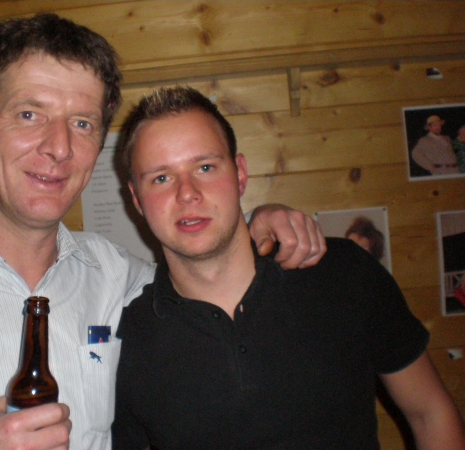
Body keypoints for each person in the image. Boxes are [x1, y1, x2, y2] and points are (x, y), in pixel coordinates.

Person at [0, 14, 327, 450]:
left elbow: (205, 264)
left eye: (82, 123)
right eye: (29, 115)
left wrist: (260, 223)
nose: (60, 147)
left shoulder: (117, 275)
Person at [112, 86, 465, 449]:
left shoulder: (342, 272)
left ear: (240, 174)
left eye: (205, 167)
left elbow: (430, 413)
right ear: (137, 199)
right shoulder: (128, 340)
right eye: (161, 178)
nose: (187, 193)